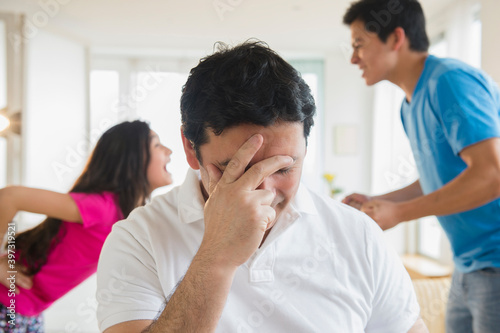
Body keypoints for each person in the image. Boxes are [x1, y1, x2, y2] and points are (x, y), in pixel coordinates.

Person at [96, 41, 427, 333]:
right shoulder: (137, 239)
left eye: (284, 167)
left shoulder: (359, 235)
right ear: (189, 147)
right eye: (237, 169)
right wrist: (216, 258)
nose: (264, 191)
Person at [341, 1, 500, 332]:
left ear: (396, 38)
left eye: (359, 44)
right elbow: (436, 179)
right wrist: (380, 202)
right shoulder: (409, 106)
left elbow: (491, 174)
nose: (353, 58)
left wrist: (400, 214)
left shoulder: (450, 82)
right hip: (468, 264)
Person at [0, 120, 173, 332]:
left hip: (29, 310)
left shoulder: (128, 218)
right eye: (157, 145)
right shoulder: (102, 208)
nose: (169, 150)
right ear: (132, 160)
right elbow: (9, 197)